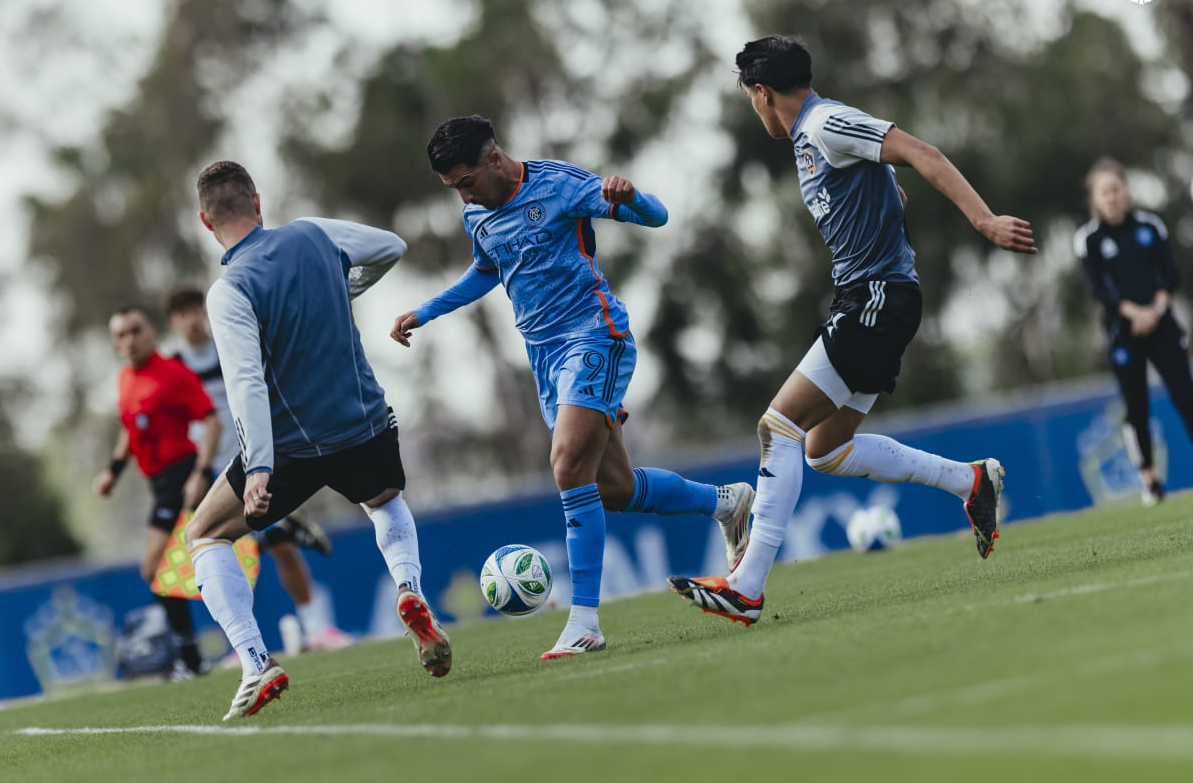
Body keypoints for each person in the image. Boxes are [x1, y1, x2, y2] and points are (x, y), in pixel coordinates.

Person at [668, 36, 1038, 625]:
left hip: (877, 298)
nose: (752, 108)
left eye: (749, 98)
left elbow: (924, 151)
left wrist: (985, 221)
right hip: (876, 298)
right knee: (824, 450)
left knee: (777, 426)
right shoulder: (813, 137)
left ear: (762, 93)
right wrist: (887, 194)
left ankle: (749, 584)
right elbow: (885, 179)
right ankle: (970, 481)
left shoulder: (826, 122)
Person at [391, 115, 755, 661]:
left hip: (594, 335)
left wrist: (633, 196)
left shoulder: (559, 186)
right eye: (454, 189)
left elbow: (656, 218)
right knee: (615, 489)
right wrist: (426, 310)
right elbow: (487, 270)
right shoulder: (477, 215)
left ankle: (584, 621)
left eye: (466, 182)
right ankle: (726, 503)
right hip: (543, 358)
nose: (463, 195)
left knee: (566, 466)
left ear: (493, 159)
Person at [183, 160, 450, 722]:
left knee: (204, 534)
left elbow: (246, 382)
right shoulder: (313, 234)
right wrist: (344, 285)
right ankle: (409, 590)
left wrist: (257, 469)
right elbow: (390, 246)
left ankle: (256, 663)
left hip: (292, 448)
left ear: (207, 224)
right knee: (384, 502)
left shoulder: (229, 289)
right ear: (257, 200)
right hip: (366, 421)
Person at [164, 285, 352, 651]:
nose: (190, 320)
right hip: (209, 474)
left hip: (253, 462)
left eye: (193, 310)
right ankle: (244, 647)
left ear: (203, 313)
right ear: (173, 322)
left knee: (281, 546)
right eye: (180, 314)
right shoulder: (175, 368)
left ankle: (316, 629)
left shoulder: (228, 348)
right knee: (222, 557)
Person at [92, 304, 222, 678]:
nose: (129, 340)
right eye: (121, 335)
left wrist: (202, 472)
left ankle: (188, 657)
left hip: (182, 477)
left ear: (151, 333)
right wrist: (113, 472)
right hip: (158, 483)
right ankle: (190, 658)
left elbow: (211, 421)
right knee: (199, 559)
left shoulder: (173, 374)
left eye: (135, 331)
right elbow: (131, 430)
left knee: (155, 567)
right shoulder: (125, 380)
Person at [1075, 157, 1193, 506]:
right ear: (1095, 198)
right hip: (1122, 332)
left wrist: (1155, 310)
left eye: (1116, 189)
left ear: (1126, 191)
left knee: (1185, 395)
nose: (1112, 197)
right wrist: (1132, 313)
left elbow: (1170, 274)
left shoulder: (1149, 226)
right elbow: (1098, 289)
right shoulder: (1088, 239)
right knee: (1136, 406)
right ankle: (1150, 481)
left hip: (1162, 324)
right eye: (1104, 192)